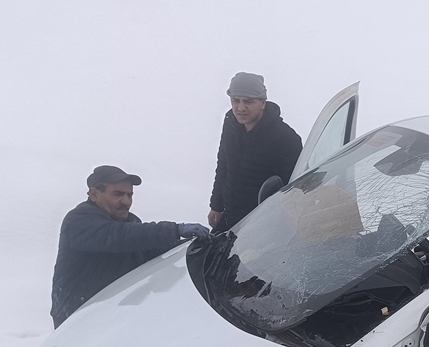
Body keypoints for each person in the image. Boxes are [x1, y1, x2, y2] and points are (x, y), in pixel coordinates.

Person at [50, 165, 211, 327]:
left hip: (112, 313)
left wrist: (187, 246)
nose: (126, 201)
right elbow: (119, 237)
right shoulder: (79, 221)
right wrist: (175, 230)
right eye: (118, 194)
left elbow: (145, 253)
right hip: (76, 318)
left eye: (130, 195)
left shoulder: (128, 223)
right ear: (94, 194)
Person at [208, 72, 303, 232]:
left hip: (262, 225)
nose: (240, 108)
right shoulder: (231, 123)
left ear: (262, 103)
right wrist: (216, 205)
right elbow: (223, 164)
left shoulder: (286, 138)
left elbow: (291, 189)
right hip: (230, 215)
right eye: (235, 101)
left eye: (248, 101)